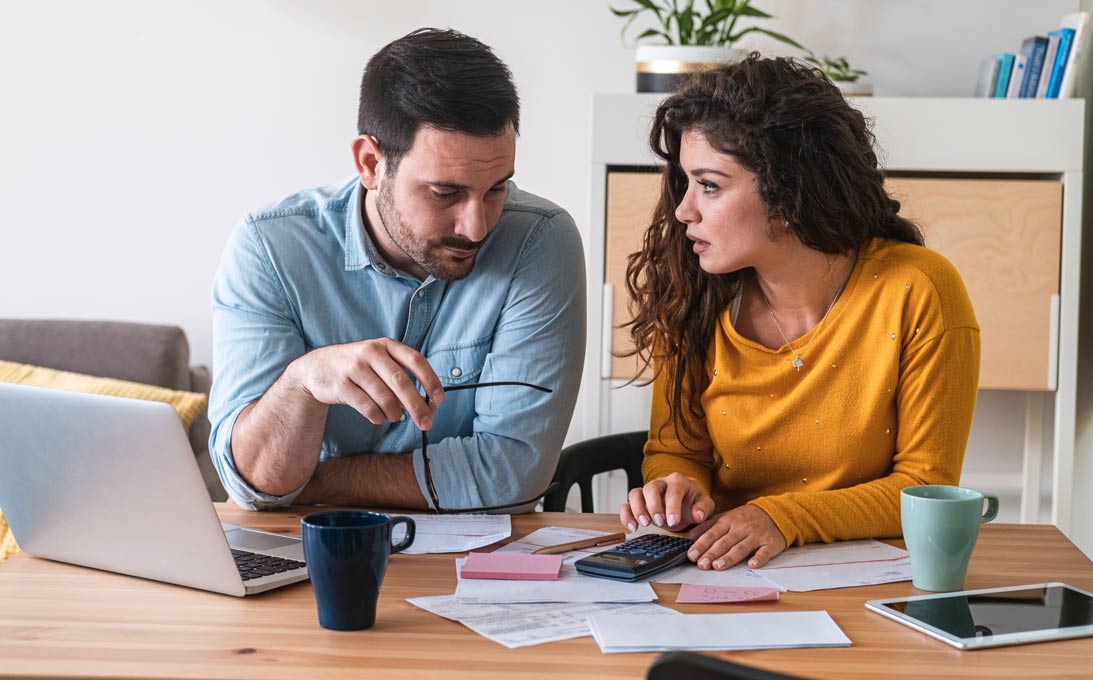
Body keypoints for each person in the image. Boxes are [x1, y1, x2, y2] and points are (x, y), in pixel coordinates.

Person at [619, 55, 980, 571]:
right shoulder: (695, 294)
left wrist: (783, 518)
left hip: (869, 583)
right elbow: (678, 450)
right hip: (720, 573)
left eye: (711, 185)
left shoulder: (919, 290)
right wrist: (677, 489)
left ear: (789, 192)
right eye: (685, 182)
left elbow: (926, 486)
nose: (683, 211)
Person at [208, 28, 585, 513]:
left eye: (496, 189)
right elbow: (254, 481)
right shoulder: (270, 249)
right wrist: (304, 382)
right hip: (306, 555)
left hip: (472, 567)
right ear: (370, 163)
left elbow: (513, 474)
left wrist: (314, 482)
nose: (476, 227)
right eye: (445, 194)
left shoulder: (539, 241)